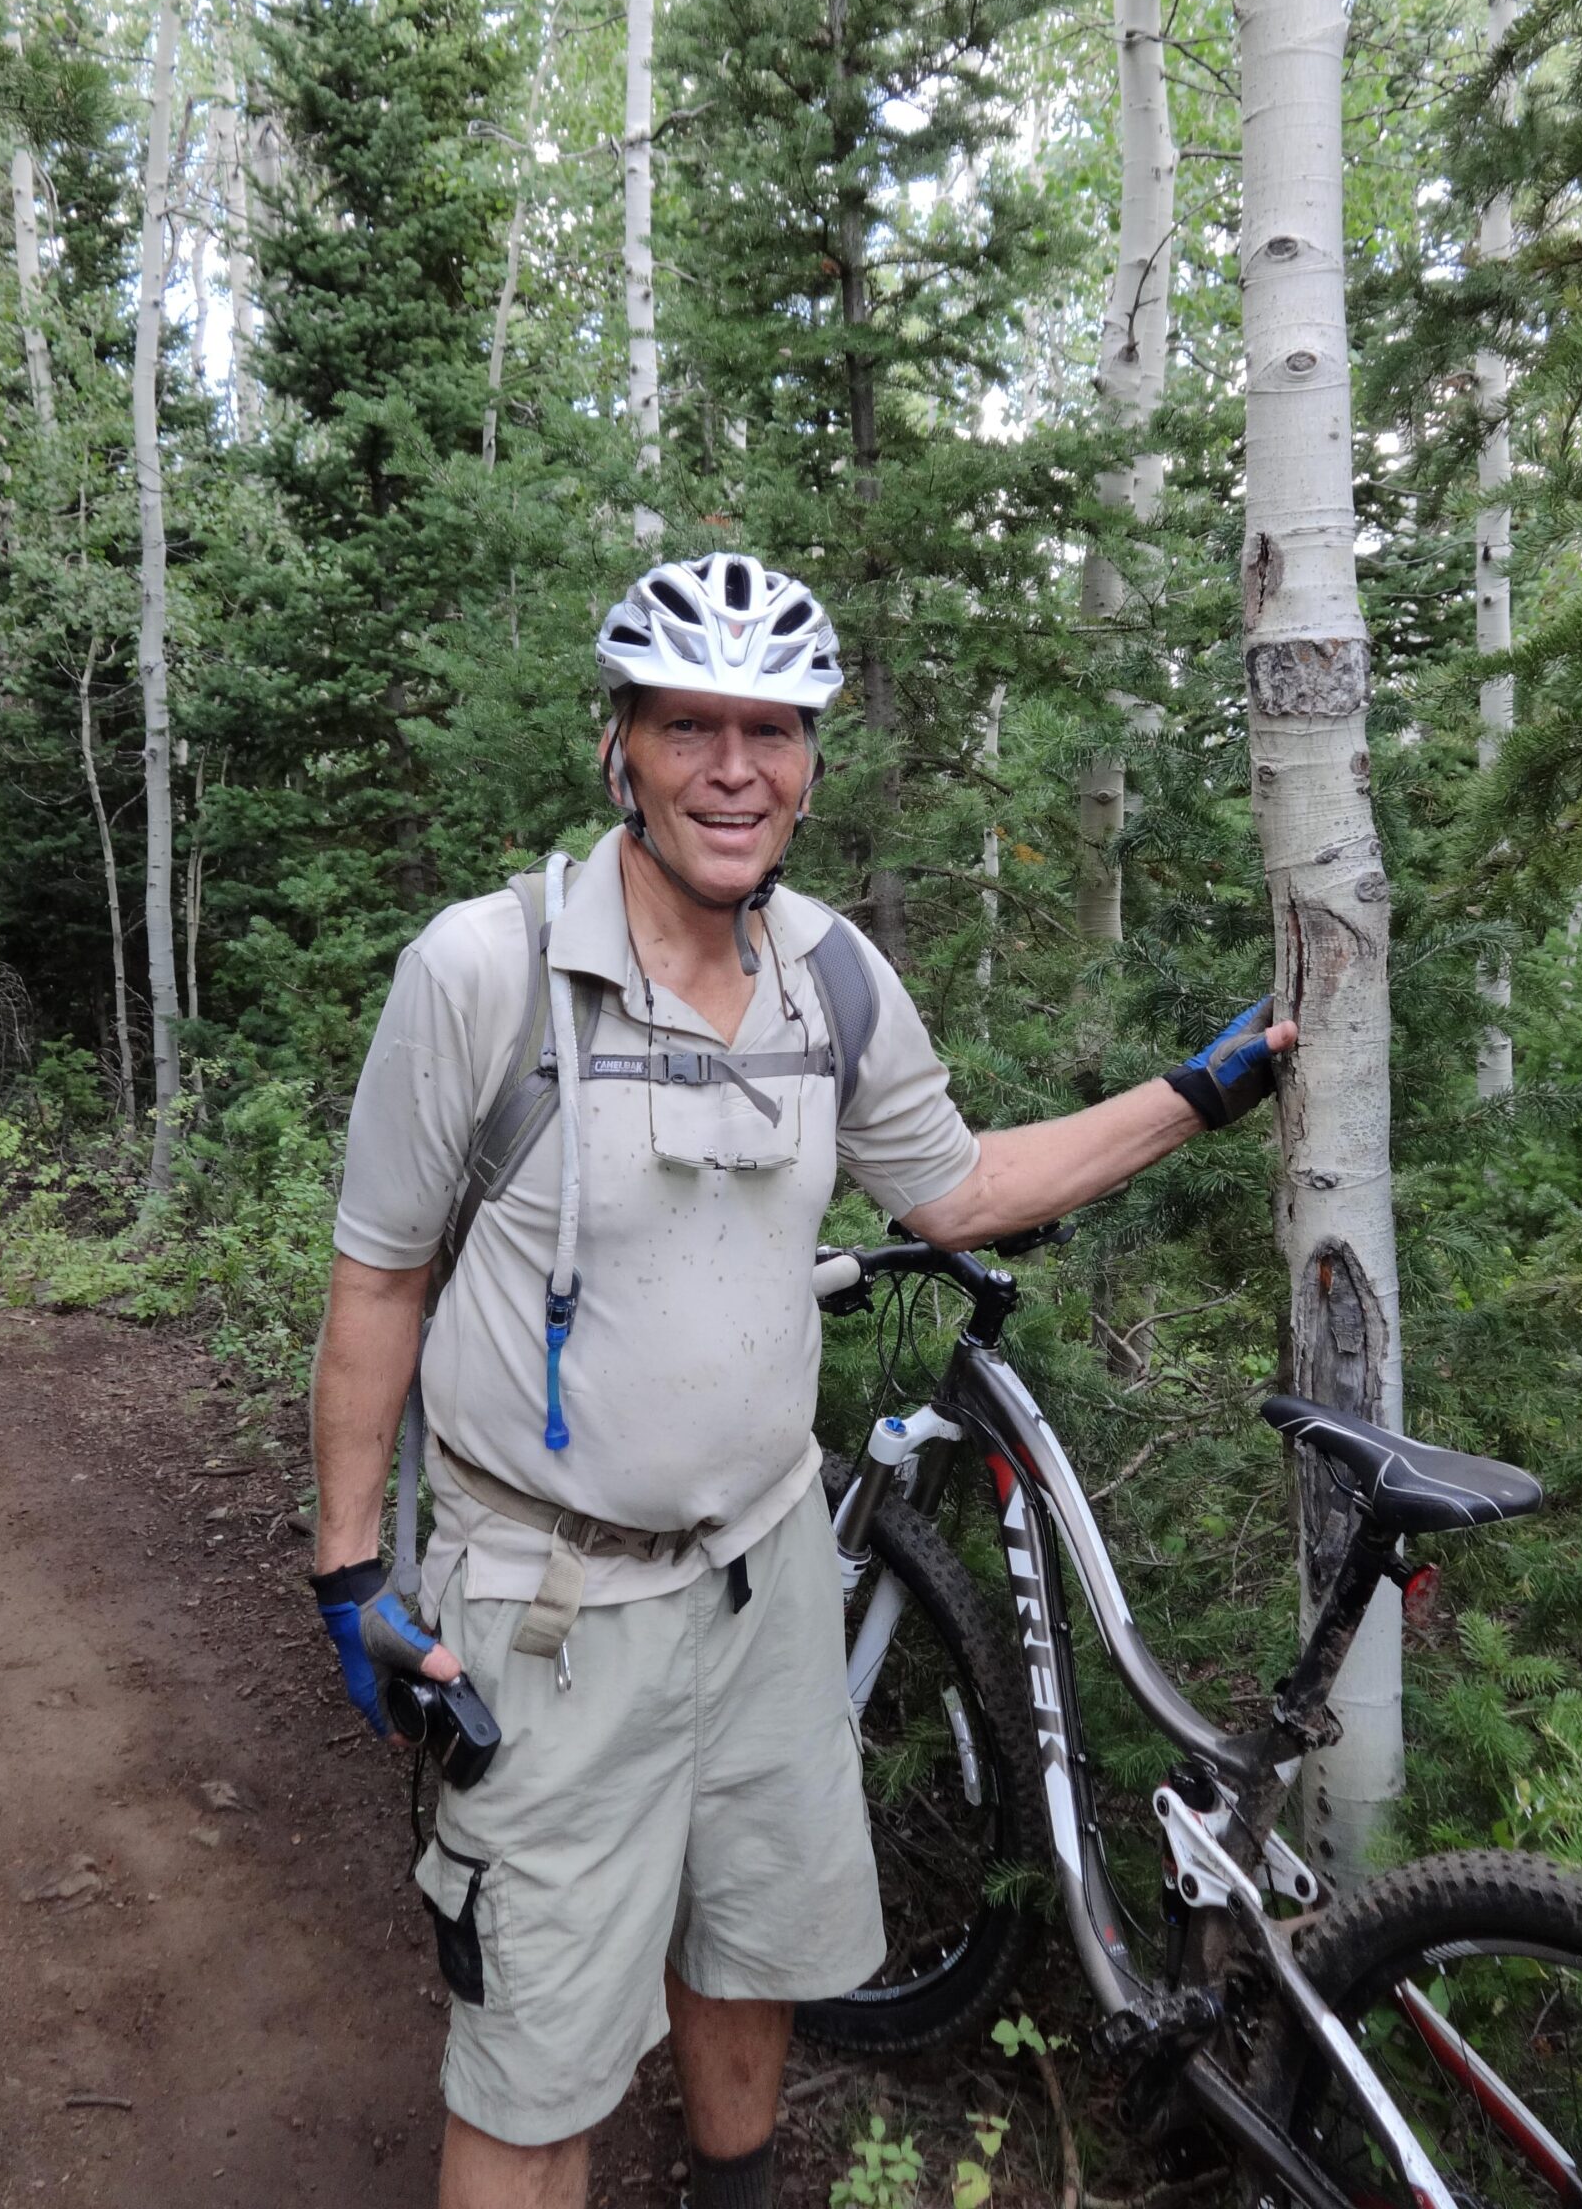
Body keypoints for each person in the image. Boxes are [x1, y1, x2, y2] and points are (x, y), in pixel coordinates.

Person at [309, 553, 1296, 2209]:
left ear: (814, 760)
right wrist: (349, 1571)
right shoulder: (483, 976)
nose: (733, 769)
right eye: (688, 725)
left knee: (750, 1950)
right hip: (550, 1605)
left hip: (769, 1576)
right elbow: (380, 1279)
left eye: (772, 730)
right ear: (618, 745)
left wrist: (1193, 1096)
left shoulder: (830, 976)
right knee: (535, 2058)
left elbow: (957, 1188)